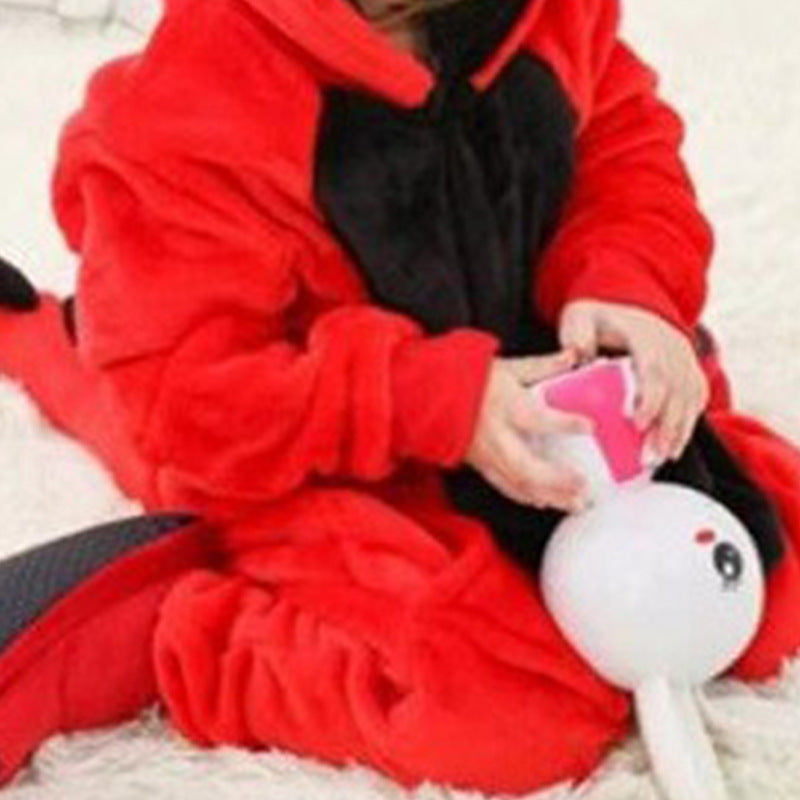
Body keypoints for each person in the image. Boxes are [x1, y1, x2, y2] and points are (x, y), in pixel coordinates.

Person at [2, 0, 800, 794]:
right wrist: (424, 395)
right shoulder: (189, 103)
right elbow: (184, 399)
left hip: (537, 395)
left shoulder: (555, 17)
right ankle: (203, 636)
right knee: (509, 719)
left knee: (768, 593)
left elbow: (625, 150)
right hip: (315, 453)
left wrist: (630, 283)